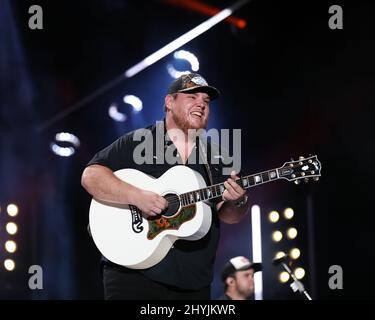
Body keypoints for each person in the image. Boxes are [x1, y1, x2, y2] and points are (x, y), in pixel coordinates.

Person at [81, 73, 250, 300]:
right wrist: (136, 196)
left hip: (193, 279)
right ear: (169, 102)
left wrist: (237, 201)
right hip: (132, 272)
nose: (201, 103)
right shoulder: (140, 141)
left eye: (206, 101)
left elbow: (229, 215)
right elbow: (91, 176)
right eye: (192, 97)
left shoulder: (219, 157)